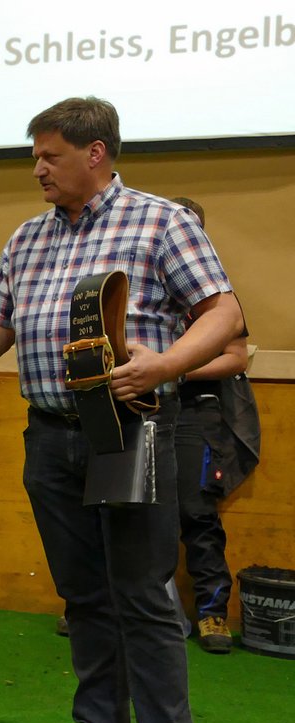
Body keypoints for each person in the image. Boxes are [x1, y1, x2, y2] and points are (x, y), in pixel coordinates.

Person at [0, 98, 244, 723]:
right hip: (49, 434)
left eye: (50, 155)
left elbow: (223, 312)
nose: (37, 168)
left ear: (96, 153)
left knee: (143, 594)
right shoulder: (26, 237)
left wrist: (164, 366)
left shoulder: (162, 220)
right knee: (82, 597)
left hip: (130, 431)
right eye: (35, 156)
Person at [170, 197, 261, 654]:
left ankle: (212, 614)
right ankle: (105, 609)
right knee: (127, 511)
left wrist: (176, 370)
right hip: (142, 408)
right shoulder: (137, 289)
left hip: (195, 410)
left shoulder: (215, 296)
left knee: (196, 512)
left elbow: (235, 358)